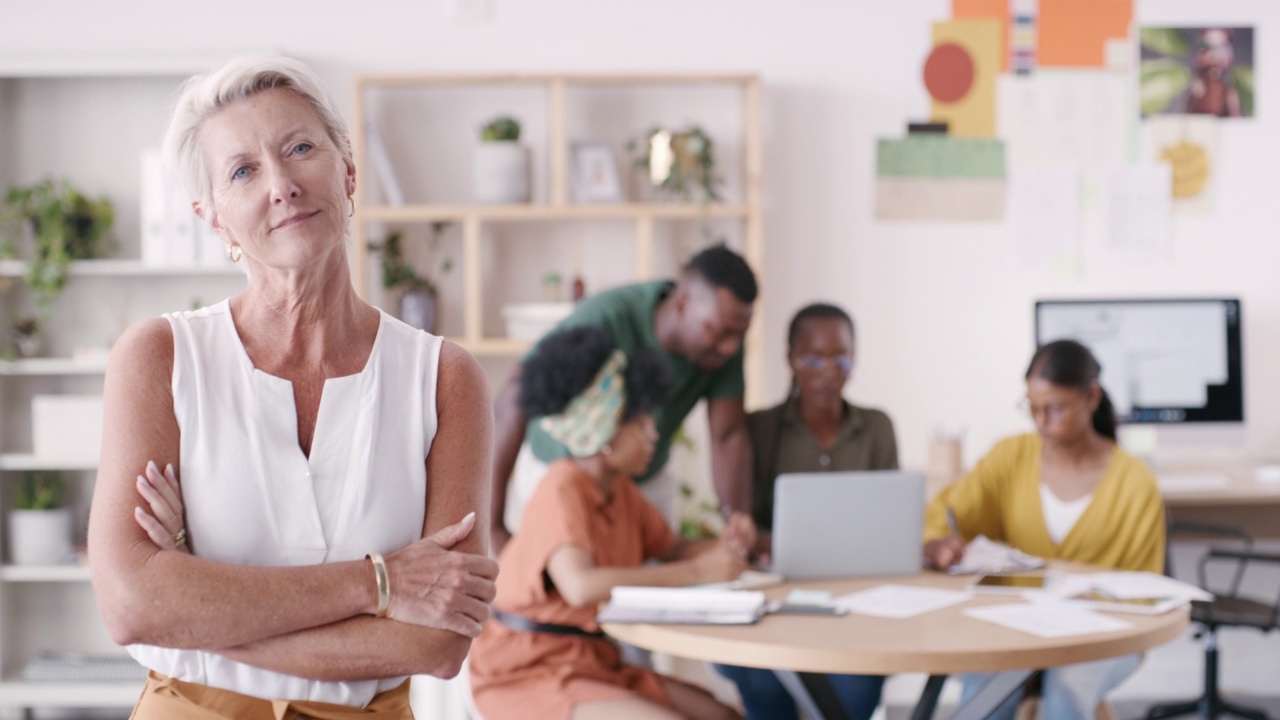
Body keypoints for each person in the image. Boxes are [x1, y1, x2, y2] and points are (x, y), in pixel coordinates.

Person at [87, 55, 498, 719]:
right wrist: (383, 582)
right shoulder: (159, 358)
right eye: (243, 170)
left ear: (348, 169)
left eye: (300, 148)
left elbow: (438, 640)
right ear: (213, 216)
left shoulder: (445, 378)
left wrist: (198, 609)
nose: (281, 185)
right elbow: (131, 604)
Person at [468, 326, 755, 720]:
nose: (654, 437)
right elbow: (580, 586)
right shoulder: (562, 488)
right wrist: (695, 571)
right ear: (604, 428)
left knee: (726, 716)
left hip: (595, 661)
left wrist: (727, 545)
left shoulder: (621, 491)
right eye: (641, 426)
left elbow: (671, 548)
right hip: (529, 670)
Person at [923, 339, 1165, 720]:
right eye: (1032, 408)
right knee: (985, 687)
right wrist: (937, 542)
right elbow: (948, 510)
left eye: (1055, 409)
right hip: (1015, 623)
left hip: (1104, 635)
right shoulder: (1010, 456)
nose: (1040, 421)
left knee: (1067, 686)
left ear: (1091, 397)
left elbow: (1145, 588)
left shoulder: (1135, 482)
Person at [491, 245, 758, 553]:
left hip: (640, 479)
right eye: (719, 331)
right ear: (682, 304)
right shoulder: (606, 317)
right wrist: (493, 526)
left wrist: (736, 522)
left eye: (740, 335)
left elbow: (729, 436)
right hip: (558, 468)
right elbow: (515, 395)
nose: (730, 347)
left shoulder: (723, 349)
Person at [712, 303, 898, 720]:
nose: (828, 373)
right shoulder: (759, 429)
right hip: (777, 597)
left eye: (841, 359)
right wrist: (756, 539)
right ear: (791, 360)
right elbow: (743, 526)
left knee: (857, 688)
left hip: (858, 600)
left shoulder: (877, 427)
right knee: (759, 680)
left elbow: (889, 521)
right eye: (812, 359)